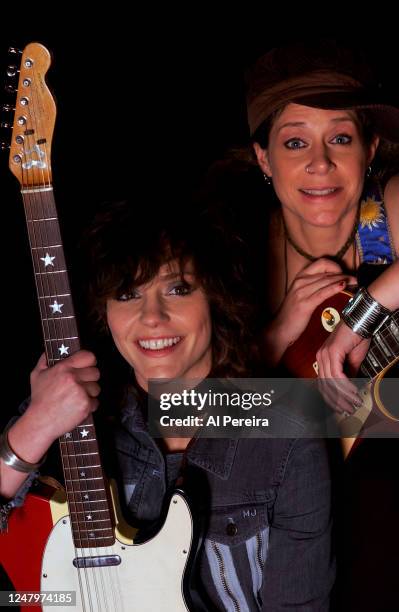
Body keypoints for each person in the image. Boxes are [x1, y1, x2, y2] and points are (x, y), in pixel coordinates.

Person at [0, 201, 334, 610]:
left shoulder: (287, 434)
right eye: (127, 294)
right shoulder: (66, 411)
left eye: (178, 289)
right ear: (105, 313)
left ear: (215, 297)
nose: (152, 317)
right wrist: (33, 428)